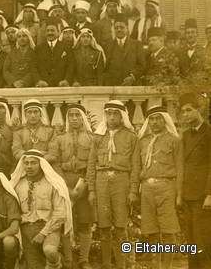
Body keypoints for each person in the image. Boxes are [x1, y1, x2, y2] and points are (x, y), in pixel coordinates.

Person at [87, 100, 139, 269]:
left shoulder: (131, 137)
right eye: (108, 113)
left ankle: (122, 264)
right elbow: (91, 164)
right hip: (101, 182)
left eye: (115, 114)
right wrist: (91, 190)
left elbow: (136, 167)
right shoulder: (98, 137)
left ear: (122, 116)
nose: (111, 117)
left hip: (121, 181)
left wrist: (132, 191)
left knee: (120, 227)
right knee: (104, 227)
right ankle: (106, 264)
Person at [46, 103, 94, 269]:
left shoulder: (92, 137)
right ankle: (67, 260)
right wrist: (64, 186)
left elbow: (92, 163)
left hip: (84, 182)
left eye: (77, 115)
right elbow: (56, 163)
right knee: (66, 221)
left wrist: (84, 184)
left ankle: (84, 259)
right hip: (64, 182)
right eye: (71, 115)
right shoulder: (59, 138)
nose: (74, 118)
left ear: (83, 118)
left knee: (84, 222)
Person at [136, 106, 183, 269]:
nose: (155, 122)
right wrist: (135, 190)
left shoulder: (174, 140)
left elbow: (180, 168)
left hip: (167, 187)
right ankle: (156, 265)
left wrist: (179, 194)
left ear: (165, 120)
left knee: (168, 229)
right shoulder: (142, 141)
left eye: (158, 118)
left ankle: (167, 266)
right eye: (152, 119)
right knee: (151, 229)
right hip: (147, 189)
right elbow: (137, 167)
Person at [11, 149, 72, 269]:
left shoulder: (53, 184)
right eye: (26, 163)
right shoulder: (17, 185)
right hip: (26, 229)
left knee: (50, 250)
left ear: (41, 164)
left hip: (49, 228)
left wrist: (43, 233)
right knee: (34, 266)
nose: (29, 166)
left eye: (33, 163)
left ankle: (57, 262)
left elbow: (60, 214)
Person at [179, 93, 211, 268]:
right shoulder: (185, 135)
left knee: (203, 241)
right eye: (183, 111)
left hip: (203, 197)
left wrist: (209, 194)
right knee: (191, 241)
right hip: (188, 195)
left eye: (189, 110)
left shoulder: (209, 133)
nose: (185, 114)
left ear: (199, 110)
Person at [102, 13, 146, 86]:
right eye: (116, 28)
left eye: (122, 27)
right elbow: (105, 68)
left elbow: (142, 65)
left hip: (132, 86)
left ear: (127, 28)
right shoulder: (108, 45)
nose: (119, 30)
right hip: (113, 86)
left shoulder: (136, 44)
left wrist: (132, 77)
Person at [35, 17, 70, 87]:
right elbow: (34, 67)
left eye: (52, 30)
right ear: (45, 33)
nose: (50, 33)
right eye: (48, 31)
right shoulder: (38, 48)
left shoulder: (66, 47)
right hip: (43, 85)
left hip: (61, 85)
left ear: (58, 32)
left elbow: (70, 66)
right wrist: (38, 80)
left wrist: (66, 80)